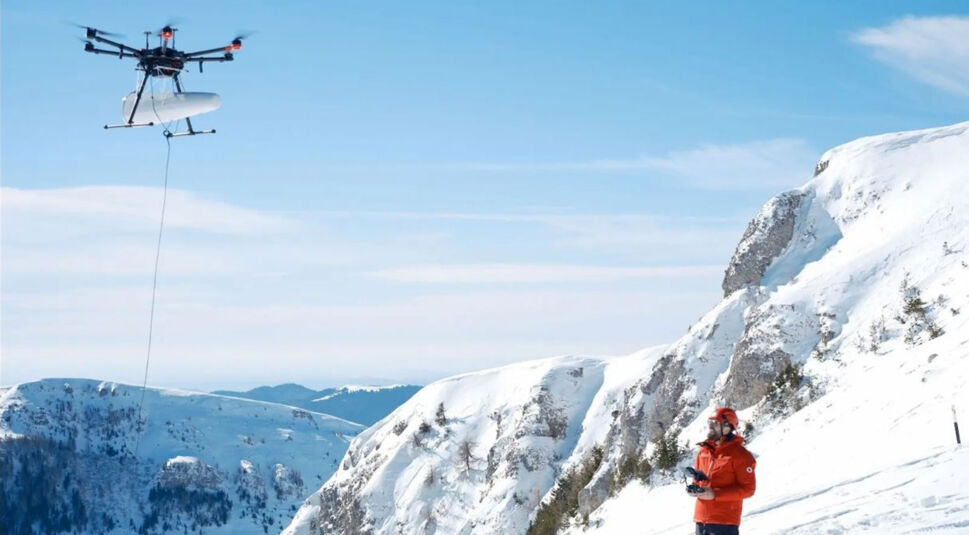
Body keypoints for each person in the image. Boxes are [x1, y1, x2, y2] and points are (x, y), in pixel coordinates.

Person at [686, 407, 757, 535]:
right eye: (710, 423)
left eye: (715, 423)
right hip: (701, 520)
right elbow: (699, 481)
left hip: (724, 522)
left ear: (727, 427)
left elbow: (748, 489)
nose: (711, 427)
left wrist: (715, 494)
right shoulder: (703, 451)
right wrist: (695, 488)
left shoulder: (740, 455)